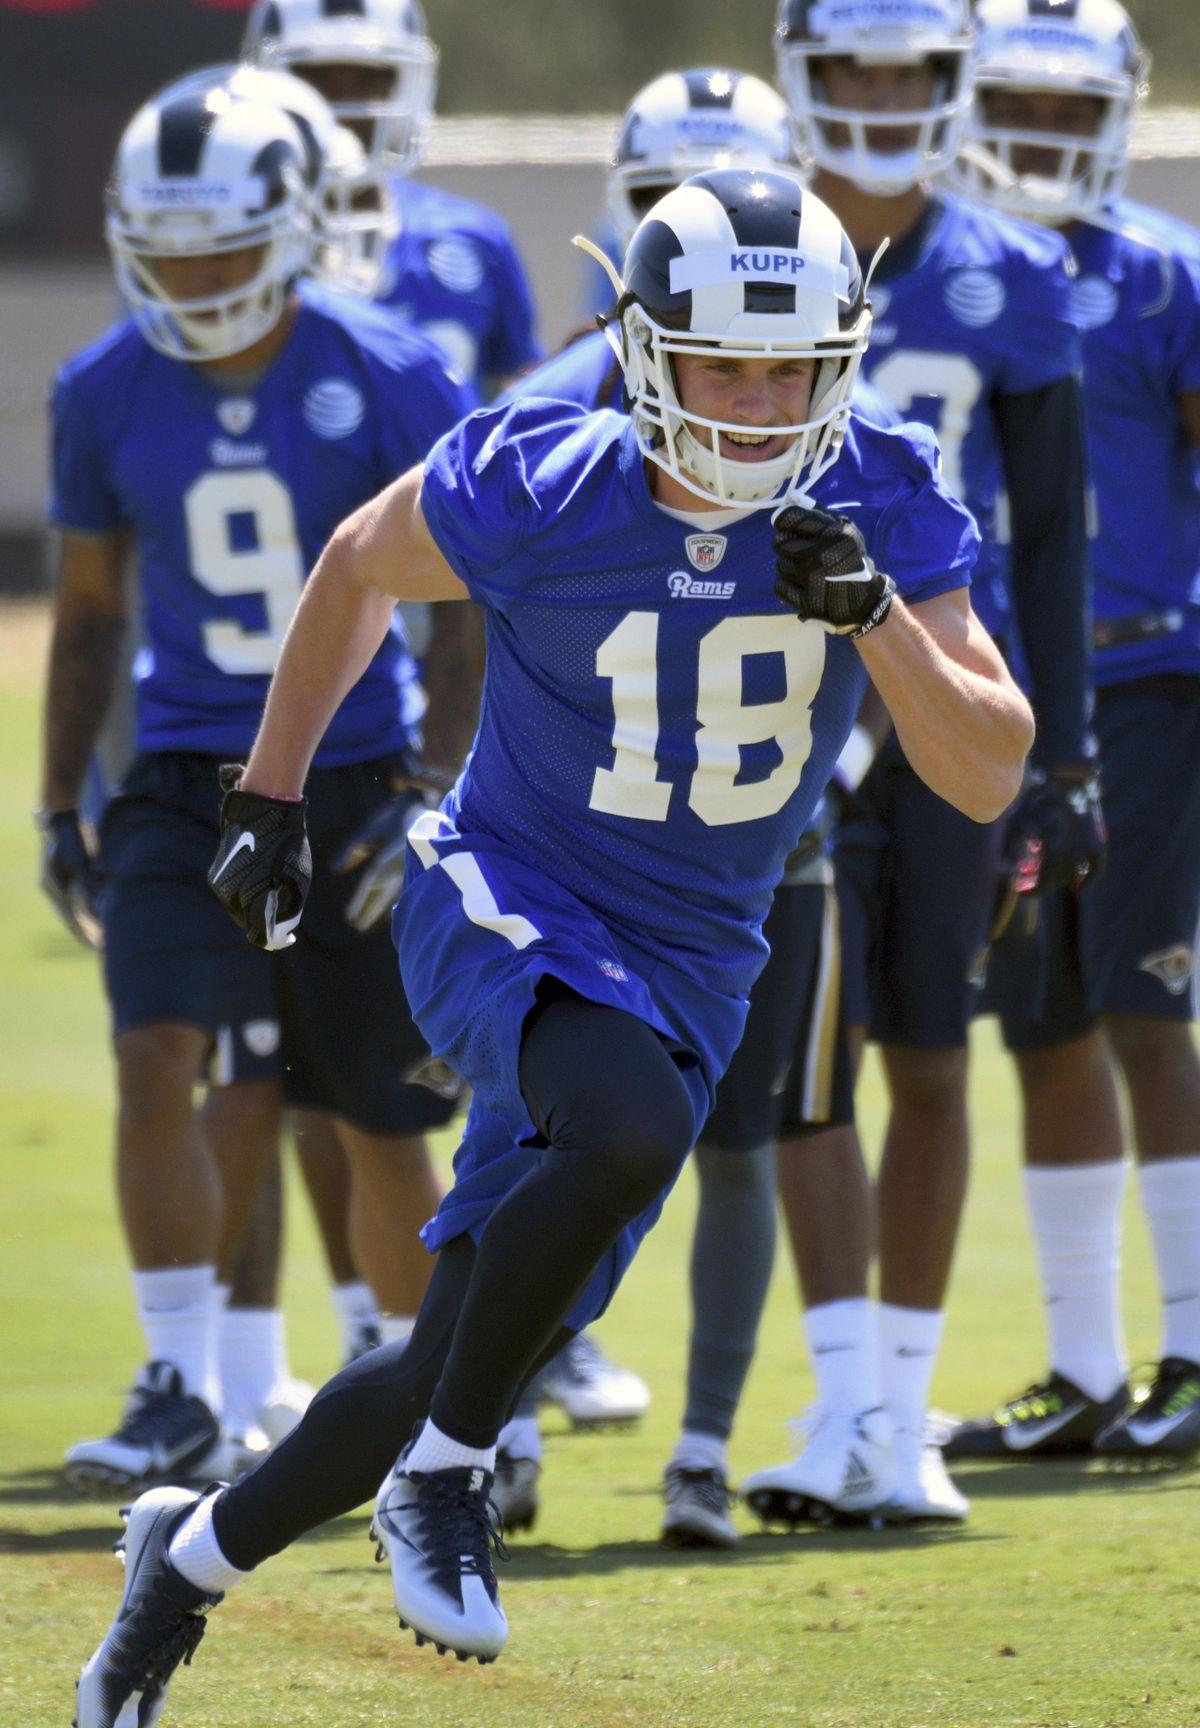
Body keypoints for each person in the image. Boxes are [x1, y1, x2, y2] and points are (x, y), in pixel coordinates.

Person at [74, 166, 1032, 1728]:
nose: (758, 398)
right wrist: (271, 793)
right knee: (628, 1140)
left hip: (692, 968)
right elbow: (360, 568)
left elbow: (988, 769)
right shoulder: (545, 476)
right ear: (648, 351)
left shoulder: (878, 485)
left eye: (790, 365)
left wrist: (875, 617)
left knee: (452, 1346)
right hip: (502, 893)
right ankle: (447, 1479)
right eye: (722, 361)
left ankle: (186, 1563)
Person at [40, 82, 477, 1497]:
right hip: (182, 775)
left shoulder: (392, 367)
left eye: (224, 251)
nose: (195, 282)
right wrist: (61, 803)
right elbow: (92, 609)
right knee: (163, 1052)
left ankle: (435, 1409)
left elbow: (471, 604)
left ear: (291, 232)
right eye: (168, 255)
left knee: (380, 1108)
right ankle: (180, 1381)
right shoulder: (102, 387)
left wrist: (436, 784)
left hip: (356, 773)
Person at [739, 0, 1097, 1526]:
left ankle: (908, 1409)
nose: (882, 94)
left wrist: (1065, 759)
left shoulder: (1011, 271)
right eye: (857, 68)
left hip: (945, 688)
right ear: (804, 78)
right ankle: (844, 1404)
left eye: (908, 68)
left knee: (936, 1058)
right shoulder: (753, 229)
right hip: (775, 706)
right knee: (810, 1071)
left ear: (952, 80)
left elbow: (1057, 532)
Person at [496, 64, 803, 1544]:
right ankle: (497, 1424)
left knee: (739, 1137)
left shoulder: (830, 399)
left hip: (765, 827)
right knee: (539, 1130)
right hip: (577, 846)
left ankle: (702, 1447)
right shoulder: (558, 409)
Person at [938, 0, 1200, 1460]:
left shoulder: (1164, 275)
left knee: (1147, 1010)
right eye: (1016, 105)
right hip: (999, 690)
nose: (1038, 134)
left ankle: (1196, 1352)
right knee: (1039, 1025)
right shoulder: (955, 274)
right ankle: (1089, 1368)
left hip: (1148, 674)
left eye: (1064, 108)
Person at [242, 0, 542, 394]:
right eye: (316, 81)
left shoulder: (474, 238)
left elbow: (524, 414)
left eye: (372, 81)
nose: (346, 110)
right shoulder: (224, 247)